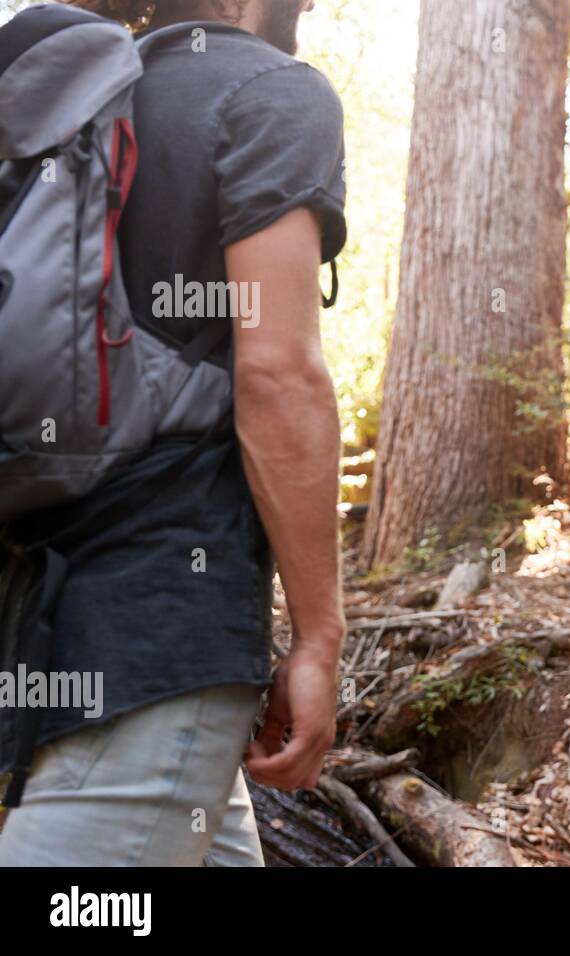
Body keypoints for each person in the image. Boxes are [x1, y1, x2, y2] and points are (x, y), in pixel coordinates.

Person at [0, 0, 346, 866]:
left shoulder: (81, 103)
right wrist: (317, 636)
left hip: (39, 606)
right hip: (158, 618)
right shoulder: (271, 90)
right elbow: (279, 374)